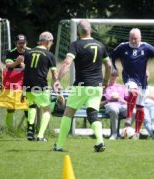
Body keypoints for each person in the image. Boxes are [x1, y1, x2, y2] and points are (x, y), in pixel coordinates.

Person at [53, 19, 111, 152]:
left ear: (78, 32)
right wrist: (106, 81)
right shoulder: (100, 45)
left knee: (68, 113)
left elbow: (67, 63)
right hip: (97, 86)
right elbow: (108, 65)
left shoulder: (76, 45)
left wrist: (57, 79)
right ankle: (100, 142)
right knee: (93, 114)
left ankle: (59, 146)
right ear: (90, 30)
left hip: (81, 85)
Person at [109, 28, 154, 139]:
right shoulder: (123, 47)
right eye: (131, 38)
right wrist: (113, 68)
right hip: (129, 78)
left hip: (142, 81)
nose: (134, 41)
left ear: (140, 38)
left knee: (140, 108)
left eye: (136, 38)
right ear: (129, 37)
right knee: (133, 92)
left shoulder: (146, 47)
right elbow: (111, 56)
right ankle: (129, 118)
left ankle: (137, 132)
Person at [21, 31, 57, 142]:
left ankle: (30, 130)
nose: (51, 44)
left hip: (28, 84)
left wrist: (23, 90)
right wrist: (56, 86)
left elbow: (25, 70)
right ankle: (40, 136)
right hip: (40, 85)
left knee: (32, 105)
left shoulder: (28, 53)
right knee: (46, 109)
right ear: (47, 41)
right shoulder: (49, 55)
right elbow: (54, 74)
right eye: (51, 42)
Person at [4, 34, 31, 131]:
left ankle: (30, 129)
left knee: (27, 105)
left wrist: (24, 66)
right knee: (11, 106)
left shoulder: (30, 51)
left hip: (27, 82)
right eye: (19, 43)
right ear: (15, 43)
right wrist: (17, 63)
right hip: (14, 84)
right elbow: (7, 65)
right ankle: (9, 130)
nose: (21, 45)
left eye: (23, 43)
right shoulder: (11, 53)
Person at [100, 70, 127, 140]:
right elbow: (99, 104)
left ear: (117, 77)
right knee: (114, 109)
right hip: (110, 105)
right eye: (112, 75)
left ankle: (125, 132)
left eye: (115, 75)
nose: (113, 77)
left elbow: (129, 103)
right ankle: (114, 134)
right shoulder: (104, 87)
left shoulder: (123, 87)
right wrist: (109, 100)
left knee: (133, 111)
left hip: (122, 106)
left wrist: (121, 100)